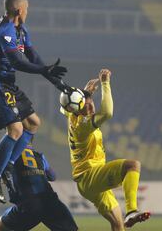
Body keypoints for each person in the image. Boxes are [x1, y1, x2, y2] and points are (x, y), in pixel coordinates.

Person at [0, 0, 69, 203]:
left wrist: (56, 81)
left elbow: (33, 56)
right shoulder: (4, 30)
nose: (28, 13)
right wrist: (44, 70)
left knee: (33, 123)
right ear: (19, 10)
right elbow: (17, 62)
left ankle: (9, 165)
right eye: (27, 9)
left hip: (8, 86)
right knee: (17, 129)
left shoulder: (21, 30)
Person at [61, 69, 151, 230]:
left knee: (118, 225)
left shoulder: (71, 114)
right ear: (78, 110)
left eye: (91, 104)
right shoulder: (83, 125)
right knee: (132, 166)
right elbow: (108, 112)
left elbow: (66, 105)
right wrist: (105, 83)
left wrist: (86, 92)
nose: (91, 109)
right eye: (87, 108)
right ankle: (131, 210)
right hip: (89, 176)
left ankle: (127, 218)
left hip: (88, 180)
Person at [0, 113, 78, 231]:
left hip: (29, 205)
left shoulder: (7, 149)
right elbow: (52, 176)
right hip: (49, 201)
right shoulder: (39, 156)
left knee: (0, 226)